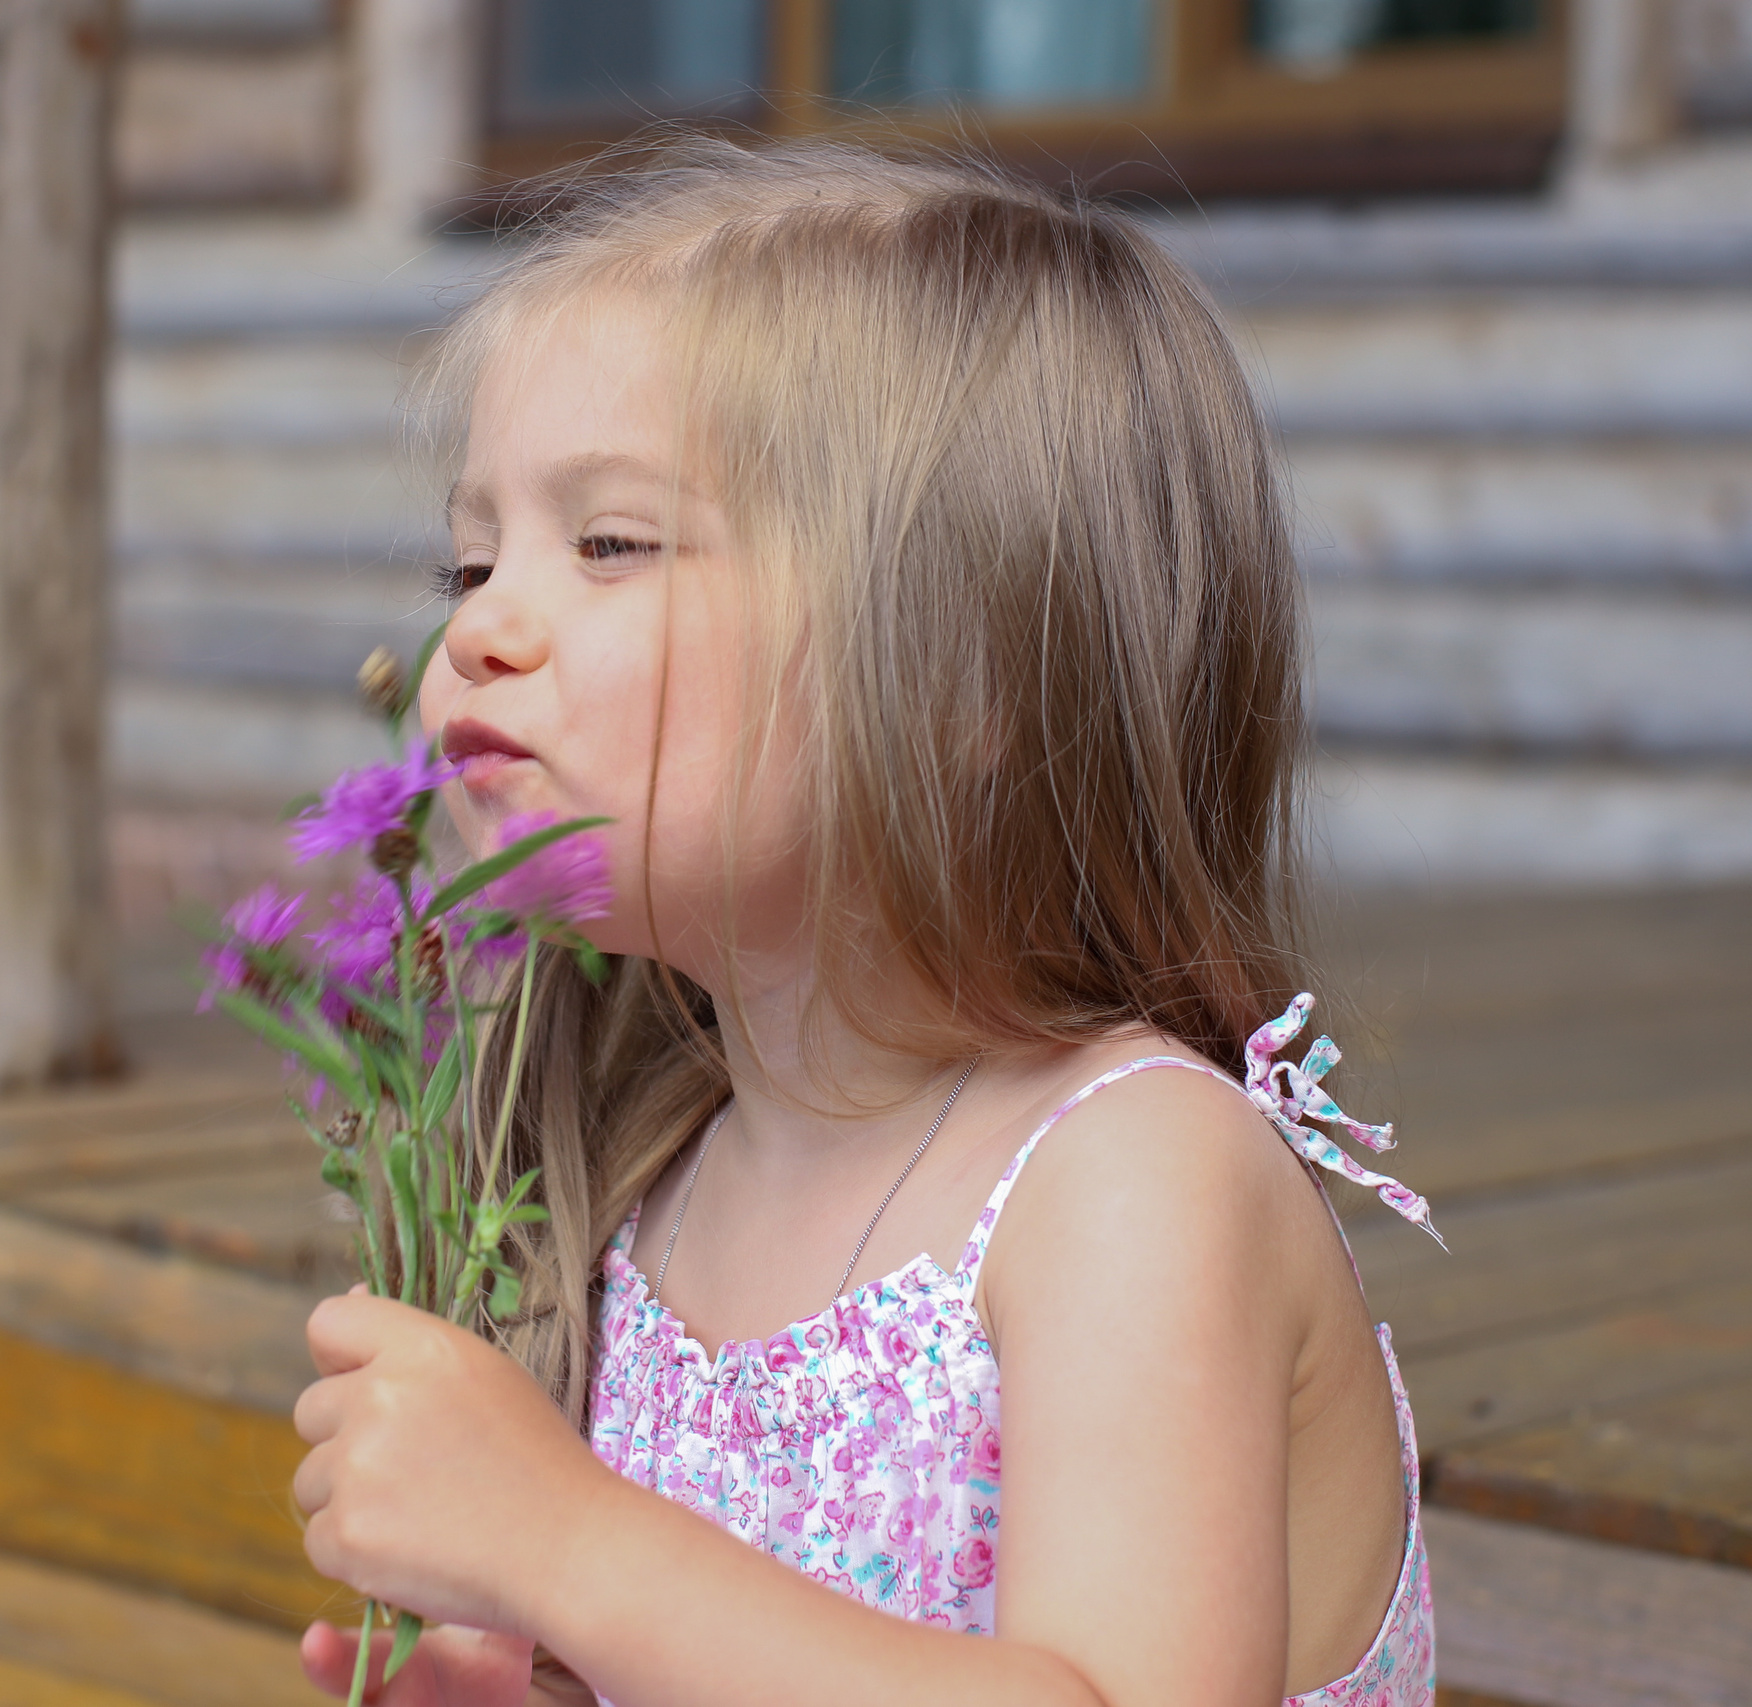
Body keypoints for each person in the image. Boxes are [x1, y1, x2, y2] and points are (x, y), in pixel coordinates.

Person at [288, 139, 1440, 1707]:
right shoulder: (658, 1177)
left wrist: (572, 1550)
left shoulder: (1129, 1183)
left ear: (968, 676)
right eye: (471, 557)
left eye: (611, 544)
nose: (477, 628)